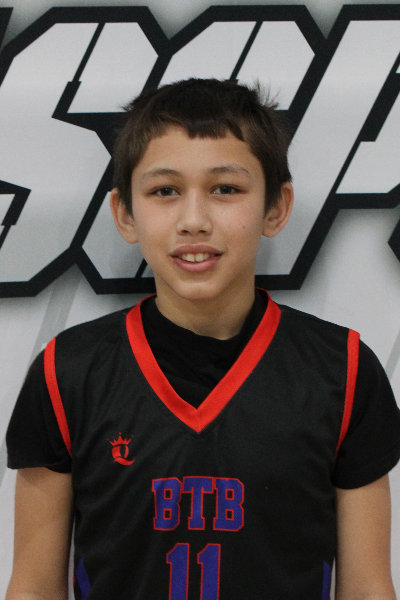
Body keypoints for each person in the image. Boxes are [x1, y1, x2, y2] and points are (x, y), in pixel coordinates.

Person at [6, 78, 400, 600]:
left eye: (225, 189)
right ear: (125, 213)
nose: (194, 221)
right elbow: (33, 588)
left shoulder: (344, 371)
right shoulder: (68, 373)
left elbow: (368, 589)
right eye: (165, 191)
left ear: (276, 207)